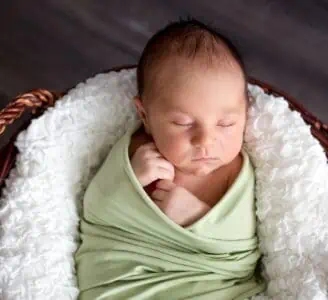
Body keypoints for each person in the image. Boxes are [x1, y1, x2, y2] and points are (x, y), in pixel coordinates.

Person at [75, 18, 266, 299]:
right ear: (145, 116)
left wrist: (199, 216)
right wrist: (130, 182)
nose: (206, 141)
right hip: (127, 283)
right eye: (183, 123)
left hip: (210, 285)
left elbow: (244, 250)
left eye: (226, 123)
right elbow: (95, 211)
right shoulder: (136, 152)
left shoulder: (235, 171)